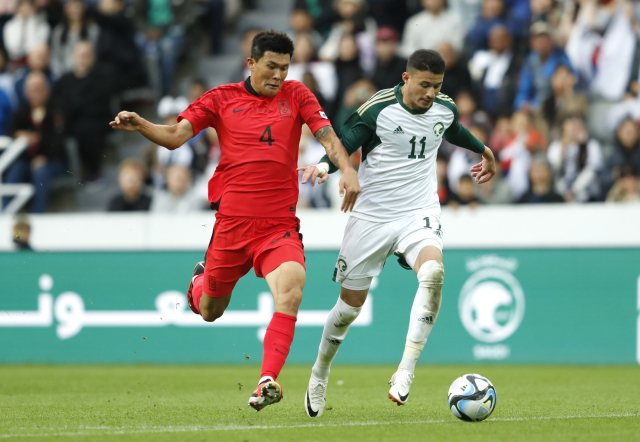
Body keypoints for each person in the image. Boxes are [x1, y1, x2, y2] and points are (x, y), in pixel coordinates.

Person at [110, 30, 360, 412]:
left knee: (291, 288)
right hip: (231, 226)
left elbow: (327, 136)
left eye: (285, 68)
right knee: (210, 310)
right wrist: (142, 125)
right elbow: (177, 136)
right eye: (271, 66)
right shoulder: (221, 98)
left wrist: (346, 169)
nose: (278, 75)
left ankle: (266, 380)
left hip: (278, 226)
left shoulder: (297, 95)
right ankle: (198, 282)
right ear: (252, 63)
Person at [298, 49, 496, 417]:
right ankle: (320, 372)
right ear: (406, 79)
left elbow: (455, 131)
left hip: (418, 211)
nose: (430, 94)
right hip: (371, 217)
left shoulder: (444, 107)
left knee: (433, 273)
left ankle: (405, 371)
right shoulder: (379, 108)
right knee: (347, 311)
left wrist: (485, 151)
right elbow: (347, 140)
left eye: (436, 86)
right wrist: (326, 167)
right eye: (424, 85)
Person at [2, 71, 66, 213]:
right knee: (16, 168)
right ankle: (5, 211)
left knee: (40, 171)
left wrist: (45, 157)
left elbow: (60, 139)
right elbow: (10, 131)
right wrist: (20, 134)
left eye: (39, 88)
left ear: (47, 89)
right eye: (32, 89)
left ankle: (37, 214)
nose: (36, 93)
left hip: (53, 161)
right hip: (27, 160)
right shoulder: (22, 110)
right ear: (26, 92)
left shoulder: (56, 109)